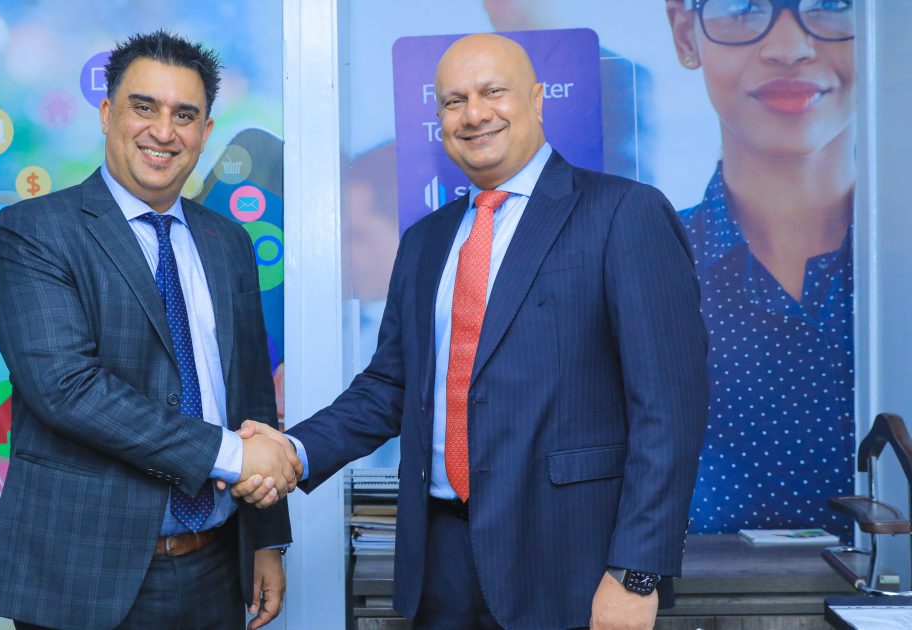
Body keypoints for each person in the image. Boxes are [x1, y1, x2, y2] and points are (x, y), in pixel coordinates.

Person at [239, 34, 708, 629]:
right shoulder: (425, 241)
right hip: (440, 560)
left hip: (573, 567)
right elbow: (389, 387)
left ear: (537, 99)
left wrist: (636, 573)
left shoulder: (623, 212)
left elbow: (669, 410)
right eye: (454, 101)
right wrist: (294, 452)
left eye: (493, 92)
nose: (474, 114)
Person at [0, 31, 298, 630]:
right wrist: (231, 455)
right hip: (82, 576)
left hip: (215, 567)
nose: (163, 131)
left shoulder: (228, 242)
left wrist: (266, 540)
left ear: (205, 131)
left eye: (185, 115)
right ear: (106, 114)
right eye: (144, 107)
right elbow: (67, 390)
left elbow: (251, 394)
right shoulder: (35, 231)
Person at [665, 0, 856, 537]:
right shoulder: (643, 262)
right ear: (685, 32)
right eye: (743, 7)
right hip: (694, 589)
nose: (789, 48)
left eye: (833, 3)